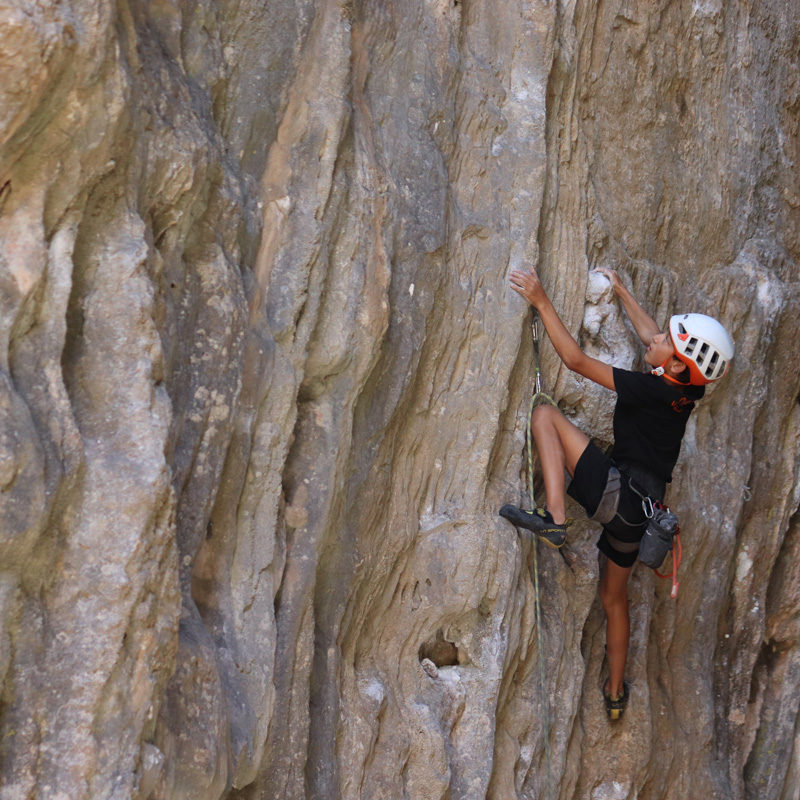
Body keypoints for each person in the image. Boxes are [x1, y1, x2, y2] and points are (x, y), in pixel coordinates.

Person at [499, 265, 734, 719]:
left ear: (676, 365)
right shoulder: (688, 390)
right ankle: (614, 693)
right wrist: (623, 293)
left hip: (620, 495)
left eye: (665, 341)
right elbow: (654, 339)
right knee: (613, 599)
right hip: (641, 519)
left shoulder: (650, 388)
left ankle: (554, 520)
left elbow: (575, 361)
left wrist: (541, 300)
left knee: (544, 416)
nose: (654, 338)